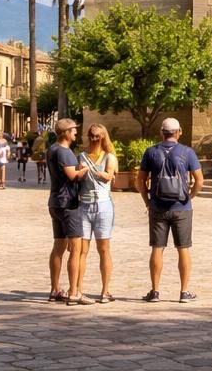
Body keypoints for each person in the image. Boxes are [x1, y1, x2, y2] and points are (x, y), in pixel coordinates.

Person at [139, 116, 204, 303]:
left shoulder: (151, 152)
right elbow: (199, 180)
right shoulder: (187, 152)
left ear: (162, 133)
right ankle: (184, 292)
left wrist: (147, 200)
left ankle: (155, 291)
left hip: (158, 206)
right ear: (178, 132)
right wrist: (190, 196)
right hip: (181, 206)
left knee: (157, 248)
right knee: (183, 249)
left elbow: (140, 180)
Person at [45, 119, 92, 305]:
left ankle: (55, 289)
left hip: (55, 201)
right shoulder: (64, 151)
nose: (75, 133)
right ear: (65, 132)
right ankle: (74, 292)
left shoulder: (52, 149)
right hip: (69, 204)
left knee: (59, 247)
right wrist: (86, 168)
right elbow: (72, 175)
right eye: (73, 130)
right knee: (76, 249)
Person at [78, 123, 118, 302]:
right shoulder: (82, 156)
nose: (94, 139)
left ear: (103, 137)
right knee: (81, 250)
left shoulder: (109, 156)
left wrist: (96, 172)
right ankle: (78, 288)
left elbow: (110, 175)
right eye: (91, 136)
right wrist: (80, 172)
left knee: (104, 248)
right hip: (84, 204)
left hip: (103, 205)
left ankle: (105, 290)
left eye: (97, 136)